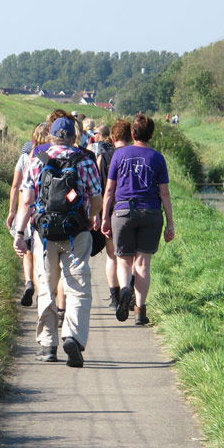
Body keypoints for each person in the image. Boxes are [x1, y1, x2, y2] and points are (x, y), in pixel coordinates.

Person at [13, 117, 103, 367]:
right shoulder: (85, 160)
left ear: (51, 137)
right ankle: (72, 336)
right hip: (77, 233)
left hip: (44, 234)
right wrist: (91, 217)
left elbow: (27, 201)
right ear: (75, 137)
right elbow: (97, 199)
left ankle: (48, 344)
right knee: (78, 287)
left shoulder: (37, 159)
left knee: (46, 286)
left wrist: (20, 234)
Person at [101, 115, 175, 326]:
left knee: (123, 259)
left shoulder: (118, 155)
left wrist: (105, 217)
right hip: (150, 212)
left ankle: (125, 289)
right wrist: (170, 224)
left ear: (132, 134)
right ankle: (140, 312)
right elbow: (165, 194)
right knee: (143, 262)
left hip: (122, 211)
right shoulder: (158, 158)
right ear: (151, 134)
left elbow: (109, 190)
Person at [8, 123, 52, 307]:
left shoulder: (25, 156)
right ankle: (42, 290)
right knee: (39, 254)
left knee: (27, 251)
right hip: (43, 211)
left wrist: (12, 211)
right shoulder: (50, 157)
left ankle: (28, 283)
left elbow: (15, 185)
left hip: (24, 211)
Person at [93, 121, 129, 308]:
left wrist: (99, 215)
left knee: (112, 255)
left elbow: (99, 188)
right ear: (130, 137)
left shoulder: (104, 158)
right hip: (131, 209)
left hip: (111, 209)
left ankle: (115, 298)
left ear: (113, 138)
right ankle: (129, 292)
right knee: (131, 256)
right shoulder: (133, 155)